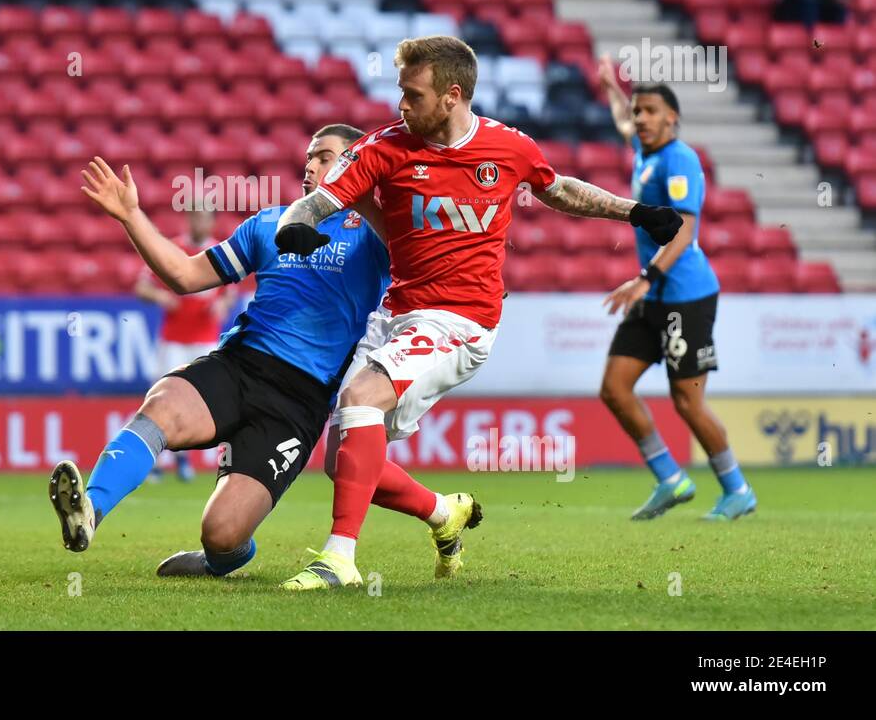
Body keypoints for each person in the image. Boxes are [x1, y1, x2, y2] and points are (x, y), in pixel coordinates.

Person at [272, 35, 683, 590]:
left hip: (461, 321)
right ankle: (445, 513)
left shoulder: (506, 147)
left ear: (452, 96)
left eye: (413, 94)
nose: (402, 105)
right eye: (400, 92)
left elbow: (557, 189)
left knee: (359, 399)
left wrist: (635, 212)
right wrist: (293, 224)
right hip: (397, 315)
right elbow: (319, 199)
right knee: (343, 456)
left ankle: (339, 558)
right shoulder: (382, 147)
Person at [49, 127, 474, 580]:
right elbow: (185, 277)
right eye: (309, 157)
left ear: (354, 164)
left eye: (325, 157)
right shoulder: (269, 223)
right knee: (162, 405)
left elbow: (428, 258)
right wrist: (132, 216)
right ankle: (90, 509)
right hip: (240, 364)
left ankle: (222, 558)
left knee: (222, 533)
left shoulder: (372, 236)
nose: (310, 166)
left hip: (299, 403)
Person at [597, 54, 756, 521]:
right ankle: (671, 478)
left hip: (684, 295)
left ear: (673, 118)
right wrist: (612, 89)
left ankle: (737, 489)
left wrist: (646, 278)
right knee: (614, 388)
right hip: (655, 296)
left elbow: (684, 230)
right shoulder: (646, 151)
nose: (638, 119)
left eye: (648, 112)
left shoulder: (680, 160)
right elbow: (624, 122)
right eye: (636, 111)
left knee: (687, 400)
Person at [132, 206, 232, 482]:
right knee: (161, 399)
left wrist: (222, 305)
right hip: (174, 339)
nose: (200, 222)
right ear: (189, 219)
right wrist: (160, 297)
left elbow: (229, 293)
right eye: (196, 216)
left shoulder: (221, 251)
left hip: (206, 340)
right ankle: (162, 462)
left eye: (205, 217)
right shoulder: (173, 249)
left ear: (212, 221)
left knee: (211, 401)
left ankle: (217, 460)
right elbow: (141, 287)